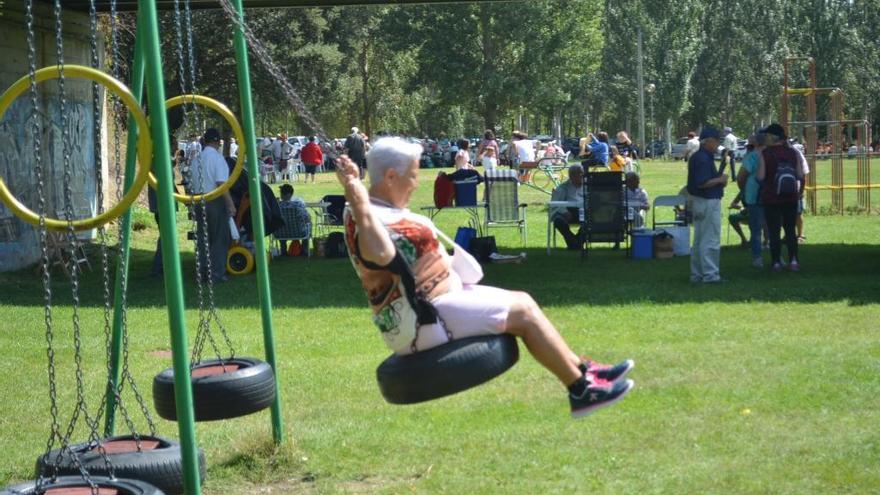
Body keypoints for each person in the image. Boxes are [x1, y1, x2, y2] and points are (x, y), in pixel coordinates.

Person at [336, 138, 634, 418]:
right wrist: (357, 195)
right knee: (523, 311)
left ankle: (583, 371)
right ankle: (581, 391)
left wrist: (356, 188)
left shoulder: (375, 208)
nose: (415, 184)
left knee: (524, 300)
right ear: (390, 177)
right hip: (423, 320)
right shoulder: (364, 219)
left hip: (442, 301)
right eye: (412, 176)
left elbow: (377, 213)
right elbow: (379, 251)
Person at [191, 128, 236, 283]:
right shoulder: (217, 159)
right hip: (214, 200)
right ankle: (216, 273)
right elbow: (221, 183)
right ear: (217, 142)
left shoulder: (196, 159)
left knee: (203, 238)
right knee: (218, 238)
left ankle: (202, 272)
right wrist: (230, 204)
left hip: (198, 200)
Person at [757, 123, 804, 272]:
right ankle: (794, 261)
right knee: (790, 230)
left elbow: (761, 176)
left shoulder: (765, 154)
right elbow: (800, 175)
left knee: (774, 231)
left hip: (771, 198)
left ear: (772, 137)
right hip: (790, 197)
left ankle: (776, 262)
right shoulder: (793, 153)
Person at [687, 126, 728, 283]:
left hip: (699, 201)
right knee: (710, 240)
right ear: (709, 141)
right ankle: (711, 275)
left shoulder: (699, 156)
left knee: (698, 240)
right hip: (708, 201)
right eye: (716, 141)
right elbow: (703, 183)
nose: (718, 145)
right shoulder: (703, 158)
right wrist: (720, 180)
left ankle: (697, 274)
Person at [736, 133, 767, 267]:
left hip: (754, 196)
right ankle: (775, 257)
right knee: (771, 226)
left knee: (756, 228)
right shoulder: (770, 155)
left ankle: (757, 257)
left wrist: (744, 190)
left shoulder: (751, 156)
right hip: (770, 195)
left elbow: (741, 177)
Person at [550, 164, 586, 250]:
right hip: (567, 212)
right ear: (571, 176)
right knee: (558, 221)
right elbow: (555, 203)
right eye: (578, 174)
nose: (581, 176)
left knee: (591, 221)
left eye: (582, 174)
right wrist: (564, 211)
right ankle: (574, 242)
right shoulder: (563, 187)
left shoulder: (587, 186)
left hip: (583, 212)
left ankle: (576, 243)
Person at [278, 183, 311, 256]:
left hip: (281, 233)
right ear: (291, 194)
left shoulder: (277, 206)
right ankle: (304, 250)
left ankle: (283, 250)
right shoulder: (298, 204)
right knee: (309, 224)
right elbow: (306, 218)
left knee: (280, 226)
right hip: (299, 232)